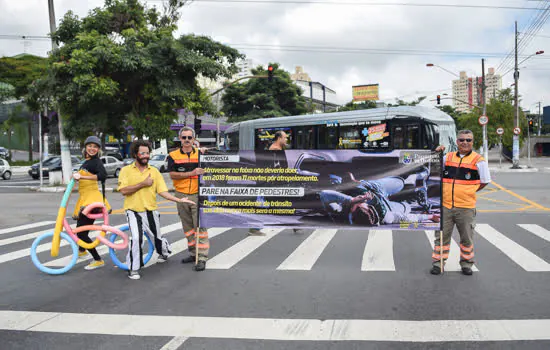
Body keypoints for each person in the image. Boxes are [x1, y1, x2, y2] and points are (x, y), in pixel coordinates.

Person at [118, 140, 195, 280]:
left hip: (151, 211)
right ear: (135, 154)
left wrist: (179, 200)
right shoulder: (126, 171)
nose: (146, 155)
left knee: (156, 239)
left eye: (147, 153)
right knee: (136, 238)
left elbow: (162, 192)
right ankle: (133, 268)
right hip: (133, 211)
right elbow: (124, 190)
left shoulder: (154, 171)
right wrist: (143, 184)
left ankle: (164, 251)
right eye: (142, 153)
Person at [430, 129, 491, 276]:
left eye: (468, 140)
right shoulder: (448, 157)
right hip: (445, 206)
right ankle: (439, 263)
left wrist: (469, 191)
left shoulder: (478, 160)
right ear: (457, 142)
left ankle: (466, 264)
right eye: (462, 140)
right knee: (441, 237)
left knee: (466, 238)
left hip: (466, 207)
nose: (465, 142)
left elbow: (484, 181)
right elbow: (433, 168)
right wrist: (436, 154)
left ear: (472, 142)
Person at [167, 127, 209, 271]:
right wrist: (191, 173)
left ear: (194, 139)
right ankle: (193, 253)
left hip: (198, 194)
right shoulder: (172, 155)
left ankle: (202, 257)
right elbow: (172, 174)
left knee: (200, 227)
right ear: (180, 139)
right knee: (188, 228)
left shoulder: (200, 154)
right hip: (181, 195)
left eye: (189, 138)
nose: (186, 140)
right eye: (184, 137)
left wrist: (205, 153)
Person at [249, 130, 302, 235]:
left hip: (272, 182)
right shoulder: (275, 150)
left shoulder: (276, 149)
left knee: (278, 203)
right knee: (264, 204)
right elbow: (276, 166)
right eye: (285, 137)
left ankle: (294, 225)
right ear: (279, 138)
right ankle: (254, 228)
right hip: (269, 182)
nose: (286, 139)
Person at [71, 136, 111, 271]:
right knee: (80, 228)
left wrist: (82, 176)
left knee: (82, 233)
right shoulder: (87, 161)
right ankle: (82, 251)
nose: (92, 148)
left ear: (98, 149)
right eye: (90, 146)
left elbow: (102, 175)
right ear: (85, 147)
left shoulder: (96, 162)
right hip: (85, 198)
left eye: (95, 146)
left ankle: (98, 259)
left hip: (92, 200)